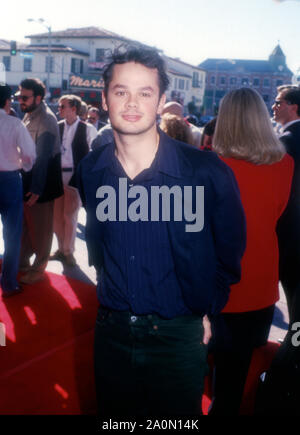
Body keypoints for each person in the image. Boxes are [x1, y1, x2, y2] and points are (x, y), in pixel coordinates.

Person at [76, 45, 246, 417]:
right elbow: (101, 244)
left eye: (145, 92)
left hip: (176, 334)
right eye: (121, 91)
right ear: (105, 99)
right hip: (112, 330)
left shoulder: (205, 172)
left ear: (161, 101)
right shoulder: (92, 170)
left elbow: (229, 253)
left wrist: (206, 309)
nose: (132, 102)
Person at [209, 87, 294, 415]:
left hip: (219, 281)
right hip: (261, 281)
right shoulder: (285, 164)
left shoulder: (211, 167)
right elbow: (278, 214)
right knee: (237, 370)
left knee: (216, 367)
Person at [17, 78, 63, 285]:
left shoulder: (46, 119)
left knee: (42, 229)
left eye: (24, 97)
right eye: (19, 97)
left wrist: (36, 189)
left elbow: (43, 157)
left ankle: (39, 268)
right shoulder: (28, 116)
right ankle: (23, 263)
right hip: (28, 181)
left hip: (41, 185)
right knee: (26, 227)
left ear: (38, 97)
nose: (21, 101)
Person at [50, 95, 97, 267]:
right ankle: (61, 249)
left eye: (63, 106)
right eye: (60, 106)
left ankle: (68, 252)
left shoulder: (88, 129)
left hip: (74, 176)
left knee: (69, 216)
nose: (59, 109)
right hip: (57, 175)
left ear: (74, 109)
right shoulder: (58, 126)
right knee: (56, 217)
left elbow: (94, 154)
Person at [0, 85, 36, 297]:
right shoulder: (14, 124)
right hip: (10, 179)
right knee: (12, 234)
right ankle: (9, 283)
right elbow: (30, 154)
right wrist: (23, 165)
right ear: (6, 102)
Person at [272, 86, 300, 325]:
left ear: (294, 107)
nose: (274, 106)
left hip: (291, 232)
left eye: (279, 102)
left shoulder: (286, 141)